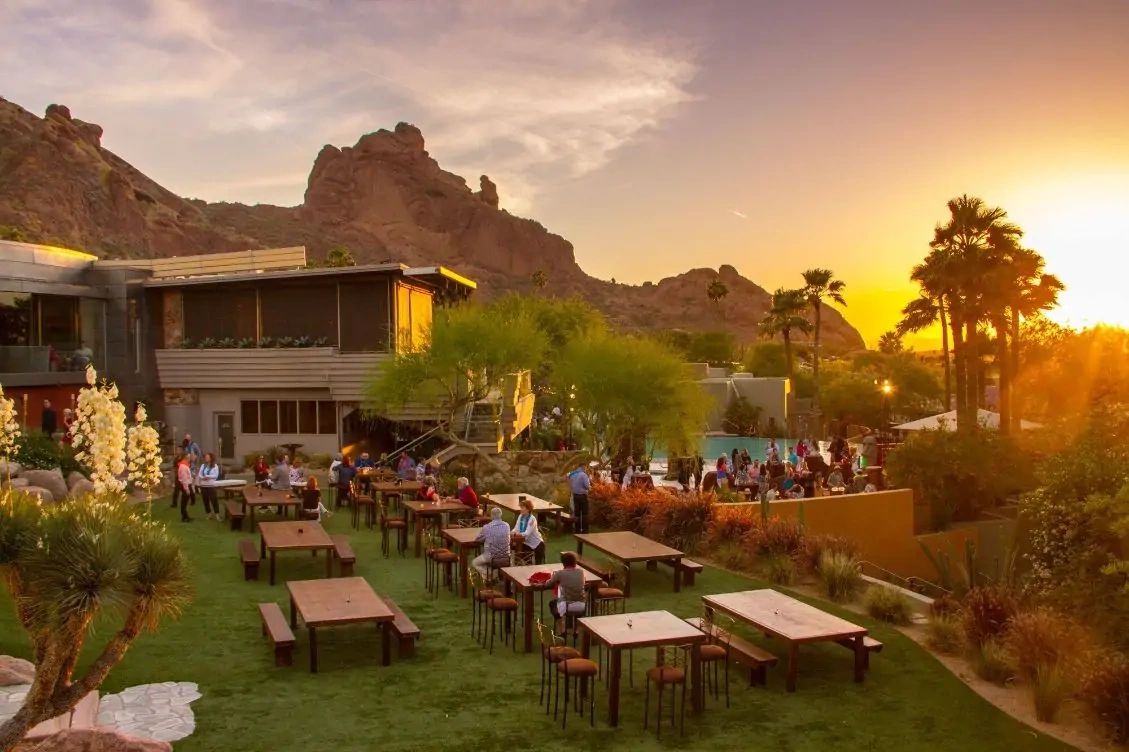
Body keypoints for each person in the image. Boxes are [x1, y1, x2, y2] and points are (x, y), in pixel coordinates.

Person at [547, 552, 587, 636]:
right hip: (581, 607)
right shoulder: (581, 572)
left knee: (552, 604)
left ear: (563, 563)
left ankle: (561, 630)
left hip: (566, 608)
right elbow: (583, 582)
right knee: (577, 598)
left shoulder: (560, 573)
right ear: (575, 562)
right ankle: (576, 630)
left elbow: (548, 584)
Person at [473, 507, 512, 577]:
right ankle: (494, 575)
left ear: (491, 516)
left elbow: (478, 540)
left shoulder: (486, 527)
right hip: (506, 557)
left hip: (491, 557)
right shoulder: (507, 526)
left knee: (475, 562)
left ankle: (490, 575)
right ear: (501, 515)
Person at [512, 497, 545, 564]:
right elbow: (516, 528)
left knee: (537, 565)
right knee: (518, 553)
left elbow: (527, 533)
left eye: (522, 507)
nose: (520, 509)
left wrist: (516, 534)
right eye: (520, 507)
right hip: (526, 543)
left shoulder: (532, 519)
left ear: (528, 509)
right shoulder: (520, 516)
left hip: (537, 545)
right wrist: (511, 532)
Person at [567, 463, 591, 534]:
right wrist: (590, 487)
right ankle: (584, 530)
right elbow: (587, 486)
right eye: (586, 467)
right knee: (584, 514)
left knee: (577, 513)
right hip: (582, 496)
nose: (586, 469)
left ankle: (577, 530)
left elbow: (570, 484)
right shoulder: (583, 475)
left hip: (575, 496)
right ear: (583, 467)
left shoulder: (572, 474)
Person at [196, 452, 221, 520]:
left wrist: (208, 476)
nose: (206, 458)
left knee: (214, 500)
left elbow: (216, 475)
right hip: (203, 485)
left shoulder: (215, 466)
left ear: (211, 458)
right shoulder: (203, 465)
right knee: (205, 500)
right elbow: (200, 474)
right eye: (205, 457)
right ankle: (209, 514)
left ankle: (217, 514)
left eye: (207, 457)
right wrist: (202, 477)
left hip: (211, 485)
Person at [174, 453, 193, 522]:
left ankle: (185, 516)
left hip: (185, 484)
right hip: (184, 485)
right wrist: (187, 489)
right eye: (188, 457)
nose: (190, 458)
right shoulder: (183, 466)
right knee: (184, 502)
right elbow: (184, 479)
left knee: (184, 502)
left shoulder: (184, 465)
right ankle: (185, 517)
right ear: (185, 458)